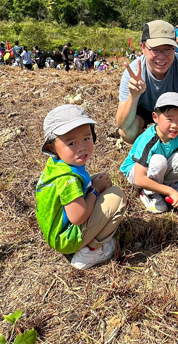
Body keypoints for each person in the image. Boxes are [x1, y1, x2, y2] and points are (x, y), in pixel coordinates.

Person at [36, 105, 127, 269]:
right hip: (67, 239)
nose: (82, 147)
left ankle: (87, 239)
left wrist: (94, 185)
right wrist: (95, 190)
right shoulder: (68, 181)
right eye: (71, 142)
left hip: (57, 232)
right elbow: (78, 217)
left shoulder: (56, 165)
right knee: (116, 196)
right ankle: (90, 252)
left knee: (98, 180)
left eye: (86, 138)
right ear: (51, 147)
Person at [116, 20, 178, 144]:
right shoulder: (134, 72)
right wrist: (133, 96)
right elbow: (121, 124)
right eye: (155, 49)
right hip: (144, 111)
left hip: (174, 110)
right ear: (143, 48)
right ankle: (155, 138)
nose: (161, 56)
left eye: (168, 49)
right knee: (128, 133)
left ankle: (171, 135)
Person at [121, 92, 178, 213]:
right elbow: (139, 178)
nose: (175, 125)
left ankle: (163, 185)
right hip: (136, 173)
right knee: (158, 161)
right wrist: (171, 192)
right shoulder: (148, 140)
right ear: (155, 117)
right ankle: (148, 193)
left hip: (157, 168)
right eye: (169, 119)